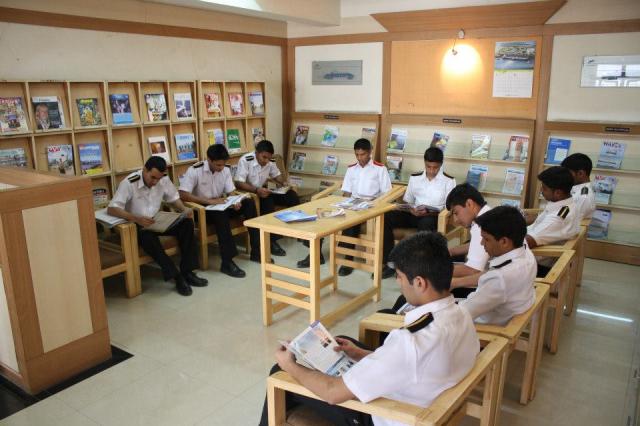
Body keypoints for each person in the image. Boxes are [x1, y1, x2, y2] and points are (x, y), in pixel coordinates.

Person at [258, 232, 479, 426]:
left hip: (387, 415)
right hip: (423, 391)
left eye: (400, 276)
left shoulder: (411, 341)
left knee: (279, 372)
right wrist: (361, 353)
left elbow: (332, 393)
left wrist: (289, 365)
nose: (399, 282)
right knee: (342, 343)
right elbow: (410, 364)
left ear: (420, 283)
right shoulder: (462, 314)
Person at [107, 156, 207, 296]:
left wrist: (183, 209)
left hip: (157, 220)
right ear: (145, 170)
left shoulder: (163, 179)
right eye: (152, 177)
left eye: (158, 179)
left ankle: (188, 272)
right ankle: (176, 276)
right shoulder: (129, 183)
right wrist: (136, 218)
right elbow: (112, 209)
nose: (155, 182)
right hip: (137, 224)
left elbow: (173, 198)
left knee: (187, 223)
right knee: (148, 237)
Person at [297, 138, 392, 275]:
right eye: (357, 154)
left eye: (363, 154)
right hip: (353, 203)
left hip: (372, 205)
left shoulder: (379, 169)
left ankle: (348, 260)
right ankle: (316, 253)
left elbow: (386, 193)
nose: (360, 158)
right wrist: (342, 205)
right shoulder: (352, 169)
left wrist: (373, 203)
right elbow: (346, 192)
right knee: (323, 215)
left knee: (352, 221)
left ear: (370, 152)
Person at [179, 144, 262, 278]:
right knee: (220, 214)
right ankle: (227, 262)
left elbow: (231, 191)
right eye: (218, 165)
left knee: (248, 203)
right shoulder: (194, 170)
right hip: (202, 209)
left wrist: (235, 201)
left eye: (223, 164)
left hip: (219, 204)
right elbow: (183, 194)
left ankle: (257, 251)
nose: (221, 168)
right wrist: (208, 201)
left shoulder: (225, 170)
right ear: (209, 160)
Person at [381, 147, 456, 278]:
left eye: (435, 167)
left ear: (440, 165)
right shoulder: (415, 178)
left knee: (426, 223)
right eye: (428, 167)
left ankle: (419, 266)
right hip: (414, 214)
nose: (431, 170)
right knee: (386, 216)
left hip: (434, 217)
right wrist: (410, 209)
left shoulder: (449, 181)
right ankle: (390, 263)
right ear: (424, 163)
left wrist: (431, 212)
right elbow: (408, 201)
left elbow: (449, 207)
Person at [459, 206, 536, 326]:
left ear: (504, 242)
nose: (482, 243)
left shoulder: (499, 279)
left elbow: (462, 314)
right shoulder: (525, 252)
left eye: (486, 239)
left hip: (481, 327)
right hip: (503, 309)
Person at [234, 140, 299, 257]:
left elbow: (276, 175)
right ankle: (271, 241)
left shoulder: (270, 161)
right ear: (256, 153)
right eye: (264, 157)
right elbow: (239, 182)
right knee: (268, 201)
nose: (266, 161)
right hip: (250, 194)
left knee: (292, 195)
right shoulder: (246, 160)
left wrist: (284, 183)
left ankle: (299, 231)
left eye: (268, 158)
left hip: (263, 191)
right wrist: (256, 190)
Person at [445, 183, 492, 294]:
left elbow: (473, 270)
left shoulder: (482, 225)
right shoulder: (487, 213)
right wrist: (450, 251)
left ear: (469, 204)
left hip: (490, 287)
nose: (456, 220)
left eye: (456, 213)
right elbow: (476, 245)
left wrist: (432, 271)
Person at [525, 166, 580, 249]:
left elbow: (527, 242)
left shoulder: (557, 219)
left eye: (544, 188)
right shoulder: (566, 205)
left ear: (558, 193)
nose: (541, 190)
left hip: (531, 252)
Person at [561, 153, 596, 220]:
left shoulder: (583, 197)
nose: (564, 176)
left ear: (580, 174)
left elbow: (564, 218)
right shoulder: (576, 190)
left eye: (567, 173)